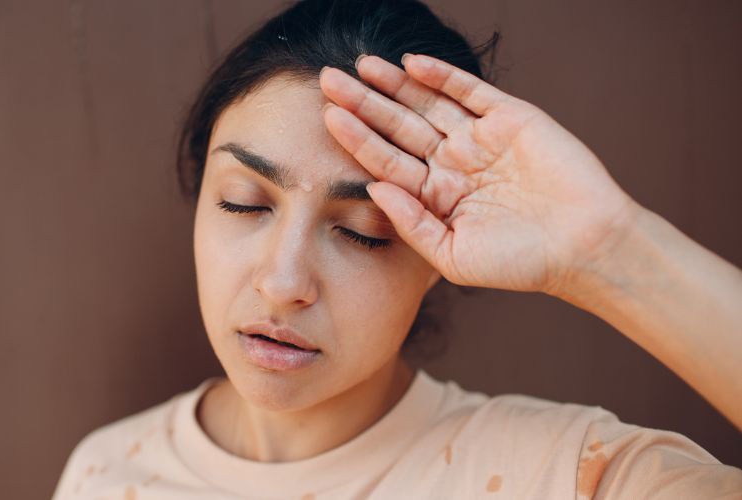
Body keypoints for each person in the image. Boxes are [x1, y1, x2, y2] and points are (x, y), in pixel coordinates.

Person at [51, 0, 742, 498]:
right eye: (245, 203)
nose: (284, 281)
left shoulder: (567, 476)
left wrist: (609, 246)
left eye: (363, 230)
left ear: (436, 259)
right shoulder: (106, 473)